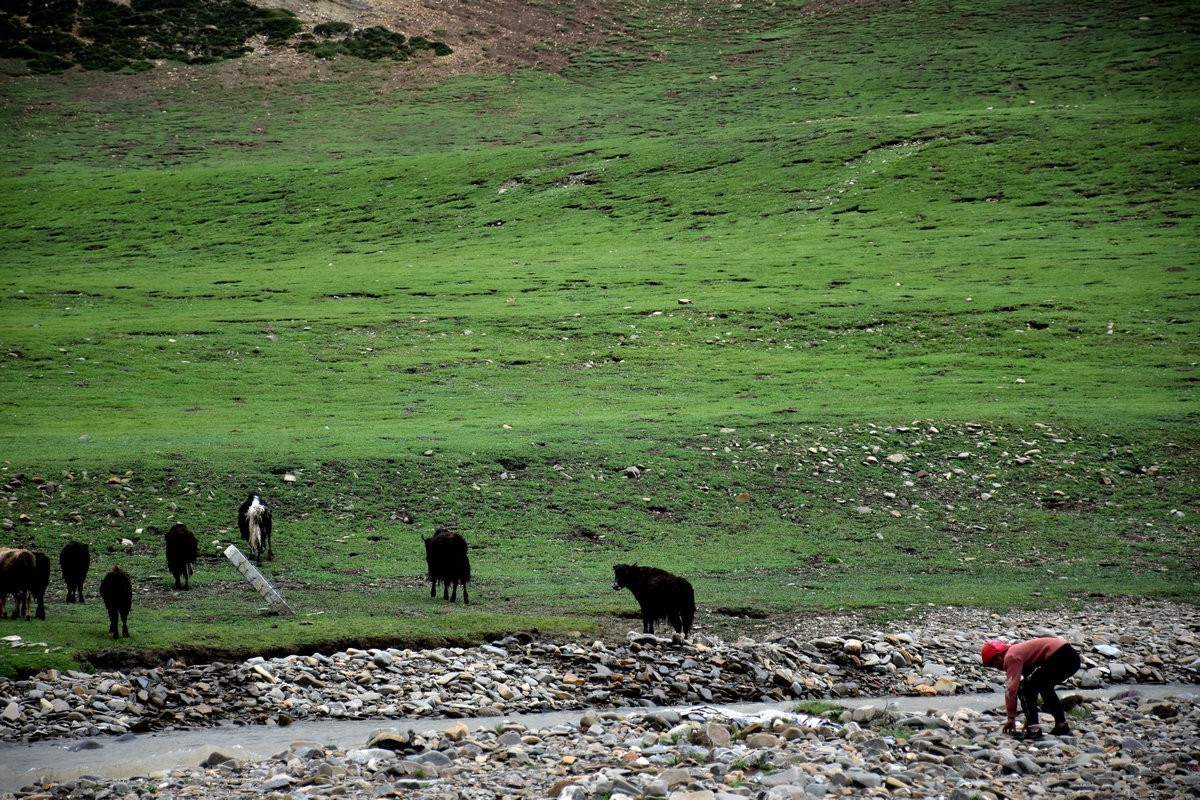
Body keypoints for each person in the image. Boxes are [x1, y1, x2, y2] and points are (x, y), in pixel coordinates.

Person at [981, 636, 1082, 739]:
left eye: (993, 665)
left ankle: (1034, 729)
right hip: (1071, 657)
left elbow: (1011, 689)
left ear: (998, 656)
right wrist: (1029, 717)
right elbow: (1031, 684)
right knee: (1042, 686)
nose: (997, 668)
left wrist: (1011, 717)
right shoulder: (1018, 652)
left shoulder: (1011, 657)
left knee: (1025, 688)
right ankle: (1061, 725)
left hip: (1061, 656)